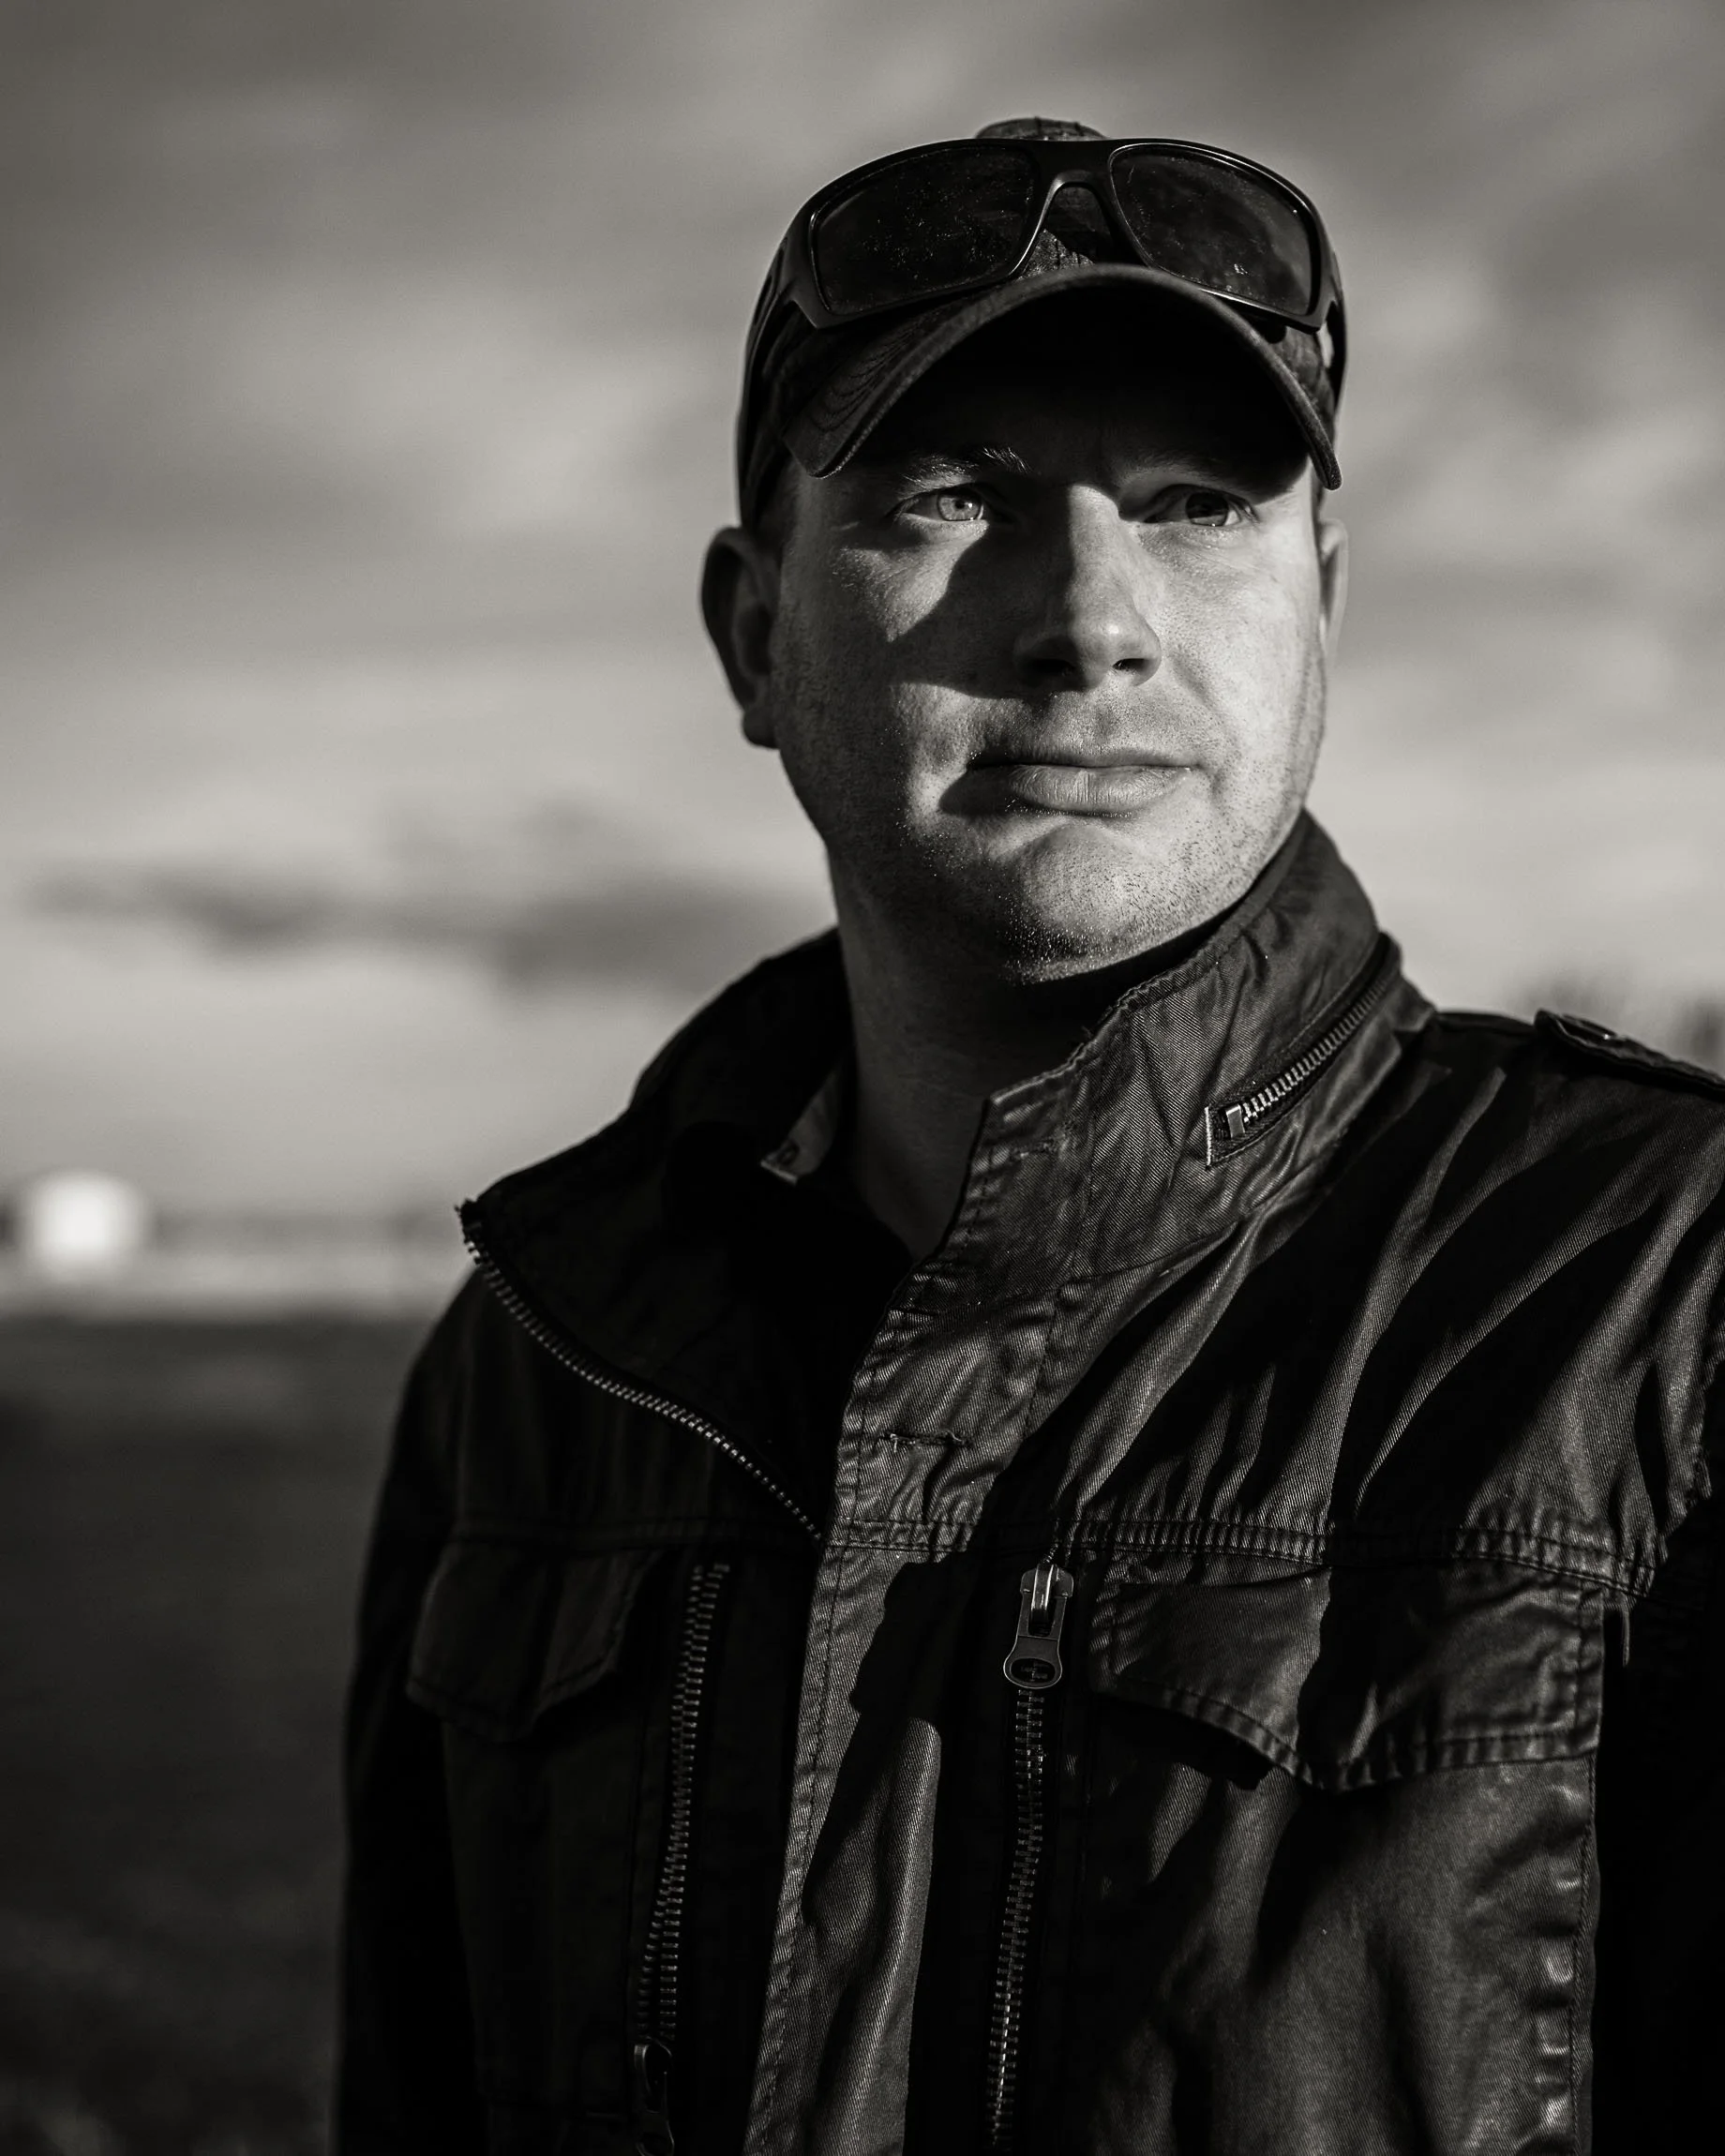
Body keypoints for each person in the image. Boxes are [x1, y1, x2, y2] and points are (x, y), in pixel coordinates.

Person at [338, 119, 1725, 2156]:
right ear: (751, 631)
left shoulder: (1657, 1298)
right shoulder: (550, 1362)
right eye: (952, 495)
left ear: (1323, 607)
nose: (1091, 617)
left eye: (1196, 508)